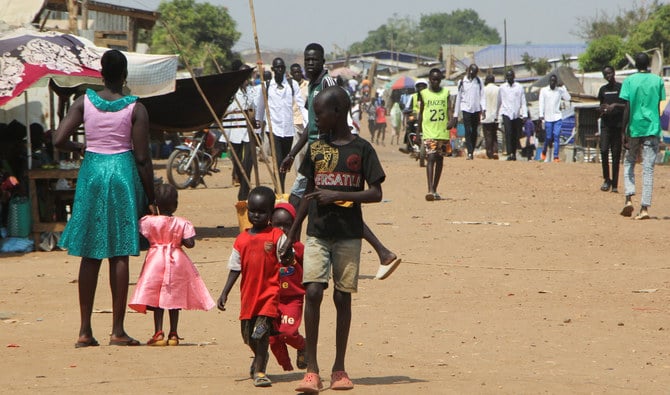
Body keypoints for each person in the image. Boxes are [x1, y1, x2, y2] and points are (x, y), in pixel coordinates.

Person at [280, 86, 386, 393]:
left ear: (337, 113)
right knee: (312, 292)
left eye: (320, 113)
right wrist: (291, 232)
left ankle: (339, 368)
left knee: (342, 297)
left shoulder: (362, 149)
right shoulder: (315, 150)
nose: (315, 120)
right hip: (318, 233)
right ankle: (311, 369)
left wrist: (338, 194)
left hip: (349, 235)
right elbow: (305, 195)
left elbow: (376, 193)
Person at [53, 49, 156, 348]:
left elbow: (58, 139)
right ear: (125, 76)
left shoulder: (84, 102)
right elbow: (142, 157)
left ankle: (85, 331)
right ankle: (118, 331)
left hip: (93, 173)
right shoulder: (136, 108)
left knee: (90, 251)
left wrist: (80, 147)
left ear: (100, 73)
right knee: (119, 252)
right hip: (122, 174)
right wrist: (151, 195)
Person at [280, 43, 400, 280]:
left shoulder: (326, 85)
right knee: (336, 206)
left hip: (326, 151)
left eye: (315, 60)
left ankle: (288, 251)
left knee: (300, 201)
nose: (310, 64)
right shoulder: (312, 86)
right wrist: (294, 152)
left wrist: (328, 147)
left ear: (323, 61)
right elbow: (311, 125)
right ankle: (382, 252)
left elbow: (331, 120)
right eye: (307, 60)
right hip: (316, 149)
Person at [217, 186, 292, 388]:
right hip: (249, 297)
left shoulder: (276, 236)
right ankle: (261, 355)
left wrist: (288, 255)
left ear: (270, 214)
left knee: (261, 332)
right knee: (248, 336)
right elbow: (235, 268)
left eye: (261, 212)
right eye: (252, 211)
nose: (256, 215)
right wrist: (225, 292)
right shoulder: (241, 239)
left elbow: (287, 257)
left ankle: (260, 370)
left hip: (269, 295)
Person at [128, 184, 215, 346]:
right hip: (176, 259)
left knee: (157, 298)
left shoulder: (149, 221)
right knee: (175, 296)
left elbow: (140, 230)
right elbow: (190, 243)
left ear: (156, 204)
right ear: (175, 204)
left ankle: (158, 333)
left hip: (155, 260)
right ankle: (173, 334)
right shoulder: (182, 223)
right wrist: (177, 239)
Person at [619, 52, 665, 220]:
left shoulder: (629, 81)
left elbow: (627, 107)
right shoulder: (658, 81)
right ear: (648, 65)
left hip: (634, 128)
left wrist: (623, 130)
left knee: (629, 161)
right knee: (648, 169)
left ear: (636, 65)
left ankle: (629, 198)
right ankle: (644, 208)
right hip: (652, 128)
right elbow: (661, 105)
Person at [255, 57, 307, 193]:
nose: (279, 70)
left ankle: (279, 187)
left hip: (288, 130)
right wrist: (258, 126)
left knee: (285, 162)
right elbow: (260, 107)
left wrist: (307, 122)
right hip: (273, 130)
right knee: (278, 161)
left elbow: (301, 104)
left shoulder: (292, 85)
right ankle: (279, 191)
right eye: (276, 68)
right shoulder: (266, 86)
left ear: (284, 69)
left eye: (281, 67)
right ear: (272, 69)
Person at [269, 203, 307, 372]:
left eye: (287, 225)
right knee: (272, 338)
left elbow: (310, 269)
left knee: (287, 333)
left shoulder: (298, 249)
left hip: (292, 299)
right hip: (271, 299)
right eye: (278, 224)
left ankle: (303, 346)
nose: (282, 229)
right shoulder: (268, 249)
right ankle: (287, 367)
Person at [224, 62, 256, 201]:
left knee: (248, 163)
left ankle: (243, 195)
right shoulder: (230, 91)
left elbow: (254, 109)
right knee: (238, 164)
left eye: (246, 76)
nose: (245, 79)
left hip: (248, 131)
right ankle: (242, 184)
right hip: (234, 130)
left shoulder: (251, 91)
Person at [419, 68, 452, 201]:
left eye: (438, 79)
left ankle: (435, 188)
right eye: (433, 79)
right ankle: (430, 189)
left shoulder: (446, 93)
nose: (435, 82)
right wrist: (417, 131)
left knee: (440, 159)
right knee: (431, 157)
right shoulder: (424, 93)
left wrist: (451, 121)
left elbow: (449, 109)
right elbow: (421, 112)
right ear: (429, 79)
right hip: (429, 132)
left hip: (443, 132)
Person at [597, 65, 625, 193]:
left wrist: (614, 105)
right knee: (603, 150)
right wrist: (603, 109)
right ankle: (606, 179)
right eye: (605, 74)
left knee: (616, 155)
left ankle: (614, 184)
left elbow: (627, 105)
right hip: (606, 125)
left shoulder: (621, 87)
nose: (608, 76)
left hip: (618, 125)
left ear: (614, 73)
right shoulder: (603, 90)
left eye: (609, 73)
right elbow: (600, 106)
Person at [454, 64, 485, 160]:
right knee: (467, 130)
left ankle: (472, 149)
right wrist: (456, 113)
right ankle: (470, 152)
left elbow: (482, 95)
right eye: (472, 73)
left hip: (476, 109)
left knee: (475, 130)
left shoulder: (479, 81)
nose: (473, 75)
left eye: (475, 73)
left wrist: (484, 109)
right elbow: (458, 97)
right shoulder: (462, 82)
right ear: (469, 71)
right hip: (466, 108)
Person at [539, 74, 571, 162]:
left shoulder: (560, 90)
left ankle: (556, 156)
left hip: (557, 117)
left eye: (554, 81)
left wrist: (563, 87)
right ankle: (544, 151)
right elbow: (541, 103)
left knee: (556, 136)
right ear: (549, 81)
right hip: (548, 117)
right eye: (551, 81)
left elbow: (568, 98)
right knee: (549, 137)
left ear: (556, 82)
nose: (553, 83)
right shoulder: (544, 90)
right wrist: (541, 115)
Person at [497, 69, 527, 161]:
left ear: (514, 76)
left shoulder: (519, 87)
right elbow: (499, 102)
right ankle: (510, 153)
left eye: (511, 76)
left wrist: (524, 114)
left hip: (516, 114)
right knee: (508, 133)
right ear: (506, 77)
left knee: (515, 134)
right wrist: (496, 115)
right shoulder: (502, 88)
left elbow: (523, 102)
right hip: (506, 113)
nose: (509, 77)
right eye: (508, 76)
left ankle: (513, 153)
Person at [290, 63, 310, 174]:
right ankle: (299, 178)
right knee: (296, 154)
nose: (297, 74)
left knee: (307, 151)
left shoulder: (308, 85)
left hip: (306, 123)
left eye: (299, 72)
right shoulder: (288, 86)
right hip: (293, 123)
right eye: (295, 72)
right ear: (291, 74)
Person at [481, 75, 500, 159]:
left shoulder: (484, 90)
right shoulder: (498, 89)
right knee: (494, 134)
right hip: (495, 115)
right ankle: (495, 151)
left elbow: (481, 103)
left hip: (486, 116)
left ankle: (489, 152)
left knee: (488, 135)